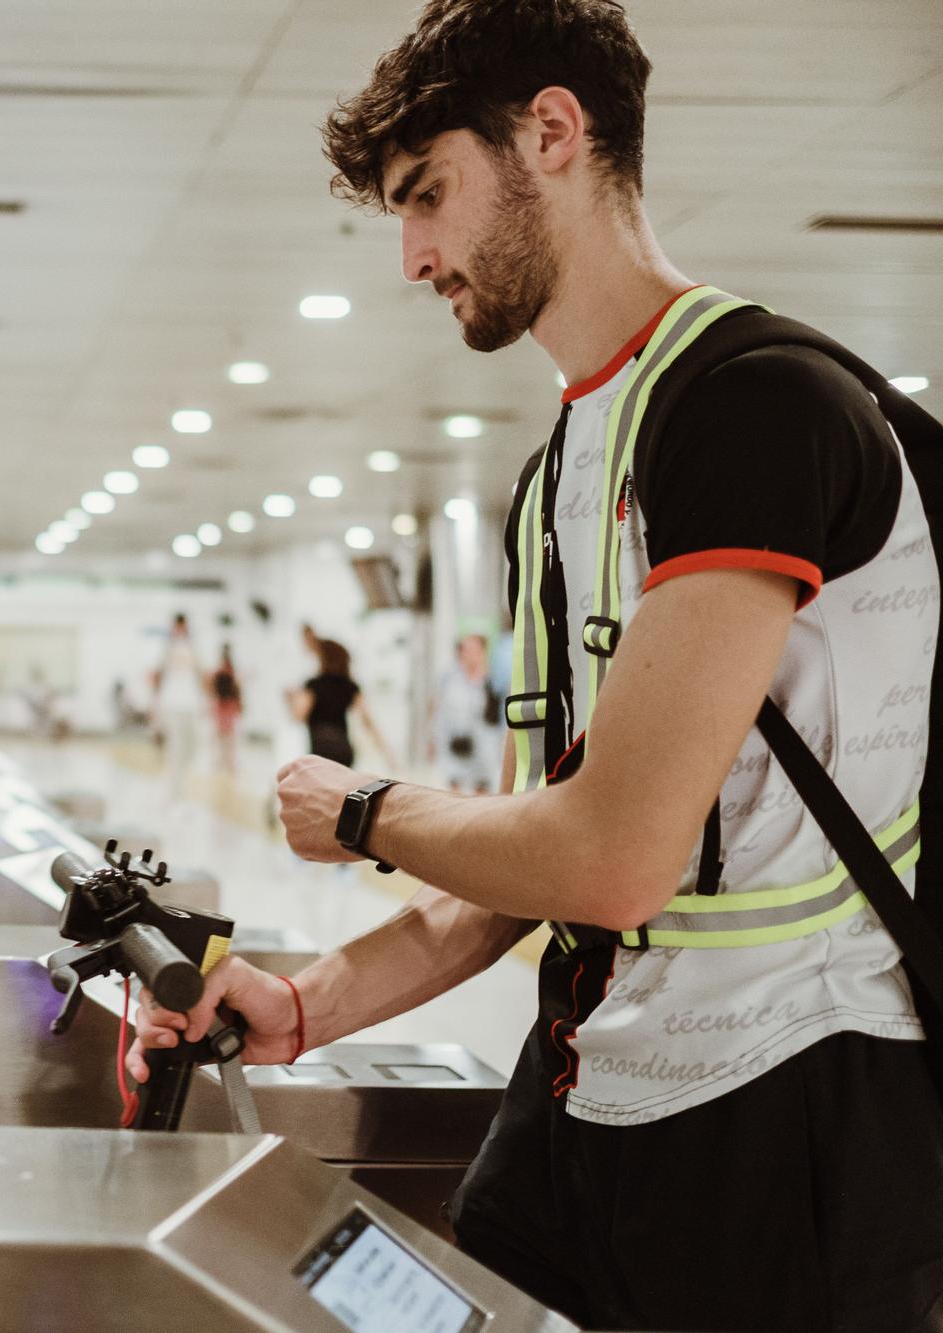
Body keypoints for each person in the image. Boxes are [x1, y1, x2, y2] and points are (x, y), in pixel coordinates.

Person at [134, 5, 943, 1329]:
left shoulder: (755, 409)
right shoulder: (561, 472)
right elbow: (537, 856)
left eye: (428, 196)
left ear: (553, 133)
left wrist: (363, 812)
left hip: (790, 1134)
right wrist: (301, 1002)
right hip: (592, 1108)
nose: (412, 255)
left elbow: (609, 854)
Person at [286, 636, 395, 771]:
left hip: (321, 750)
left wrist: (292, 699)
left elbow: (298, 715)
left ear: (324, 659)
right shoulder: (350, 686)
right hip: (344, 751)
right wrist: (387, 754)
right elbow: (368, 722)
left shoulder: (314, 685)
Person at [427, 632, 502, 793]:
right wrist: (432, 740)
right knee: (454, 788)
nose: (469, 654)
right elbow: (438, 712)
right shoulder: (448, 679)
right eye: (465, 649)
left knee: (482, 788)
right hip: (454, 744)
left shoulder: (493, 682)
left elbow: (498, 718)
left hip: (484, 746)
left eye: (474, 650)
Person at [151, 615, 207, 797]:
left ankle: (179, 775)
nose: (180, 631)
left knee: (192, 744)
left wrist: (205, 701)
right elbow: (158, 677)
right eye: (178, 627)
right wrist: (154, 705)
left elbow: (201, 676)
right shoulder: (166, 649)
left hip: (190, 704)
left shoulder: (194, 648)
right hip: (171, 704)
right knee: (175, 745)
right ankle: (175, 788)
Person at [211, 645, 244, 776]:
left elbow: (236, 691)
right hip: (225, 706)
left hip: (225, 706)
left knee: (225, 739)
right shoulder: (229, 672)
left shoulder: (225, 672)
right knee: (226, 739)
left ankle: (225, 766)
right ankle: (225, 766)